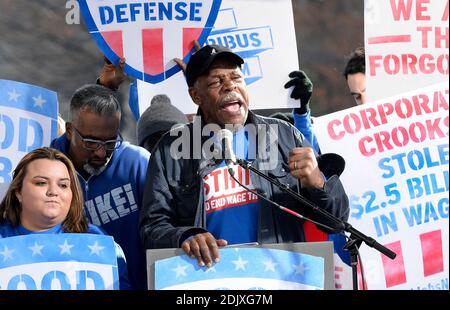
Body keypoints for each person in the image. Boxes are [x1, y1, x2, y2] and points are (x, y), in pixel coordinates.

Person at [139, 44, 349, 268]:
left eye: (237, 78)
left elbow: (336, 222)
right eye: (216, 82)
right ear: (195, 95)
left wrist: (318, 183)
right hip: (209, 279)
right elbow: (152, 229)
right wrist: (185, 237)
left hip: (278, 277)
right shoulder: (171, 150)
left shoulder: (284, 135)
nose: (230, 86)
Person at [50, 85, 150, 290]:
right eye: (91, 142)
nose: (101, 153)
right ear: (69, 131)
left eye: (111, 141)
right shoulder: (45, 169)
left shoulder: (138, 163)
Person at [0, 147, 130, 290]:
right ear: (18, 192)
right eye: (41, 183)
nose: (53, 192)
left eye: (63, 185)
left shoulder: (97, 239)